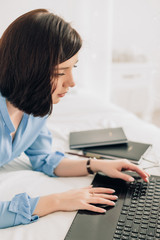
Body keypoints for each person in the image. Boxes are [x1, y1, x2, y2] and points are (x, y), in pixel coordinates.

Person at [0, 8, 149, 229]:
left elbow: (45, 158)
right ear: (29, 70)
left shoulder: (33, 106)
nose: (71, 82)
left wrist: (98, 165)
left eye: (73, 68)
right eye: (60, 72)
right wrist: (58, 200)